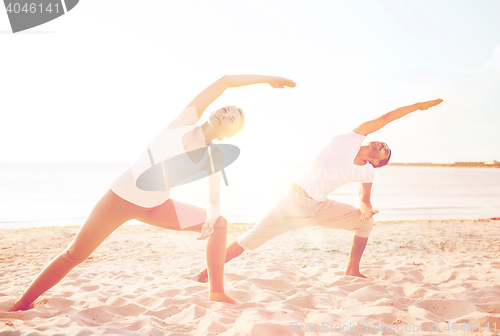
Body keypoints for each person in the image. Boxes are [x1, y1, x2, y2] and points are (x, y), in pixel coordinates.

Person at [9, 74, 296, 311]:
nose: (225, 113)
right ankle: (23, 302)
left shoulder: (211, 156)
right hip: (120, 198)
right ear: (212, 111)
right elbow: (223, 82)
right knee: (74, 253)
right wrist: (267, 79)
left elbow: (214, 197)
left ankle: (216, 292)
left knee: (220, 224)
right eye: (225, 109)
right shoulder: (182, 122)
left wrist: (211, 215)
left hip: (156, 206)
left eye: (232, 117)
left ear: (229, 135)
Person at [194, 98, 443, 281]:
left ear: (377, 162)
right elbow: (386, 118)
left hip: (319, 207)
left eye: (385, 150)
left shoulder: (367, 172)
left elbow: (364, 199)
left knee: (365, 224)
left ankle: (352, 269)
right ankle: (206, 273)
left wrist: (366, 211)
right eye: (383, 143)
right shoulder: (352, 137)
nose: (382, 144)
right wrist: (417, 107)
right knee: (249, 240)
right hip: (291, 202)